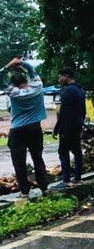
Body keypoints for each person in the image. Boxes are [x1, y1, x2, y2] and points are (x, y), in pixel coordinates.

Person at [0, 58, 49, 198]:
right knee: (38, 158)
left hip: (18, 130)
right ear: (26, 82)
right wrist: (22, 64)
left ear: (14, 84)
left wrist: (8, 66)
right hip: (35, 128)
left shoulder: (13, 93)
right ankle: (44, 188)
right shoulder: (37, 87)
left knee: (19, 162)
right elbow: (34, 72)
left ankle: (24, 192)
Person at [53, 67, 86, 187]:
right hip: (77, 124)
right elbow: (83, 110)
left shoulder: (68, 91)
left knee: (63, 152)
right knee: (77, 151)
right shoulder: (80, 90)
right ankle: (78, 177)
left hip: (68, 126)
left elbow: (64, 112)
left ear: (67, 76)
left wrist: (57, 127)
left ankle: (66, 179)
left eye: (61, 76)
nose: (59, 79)